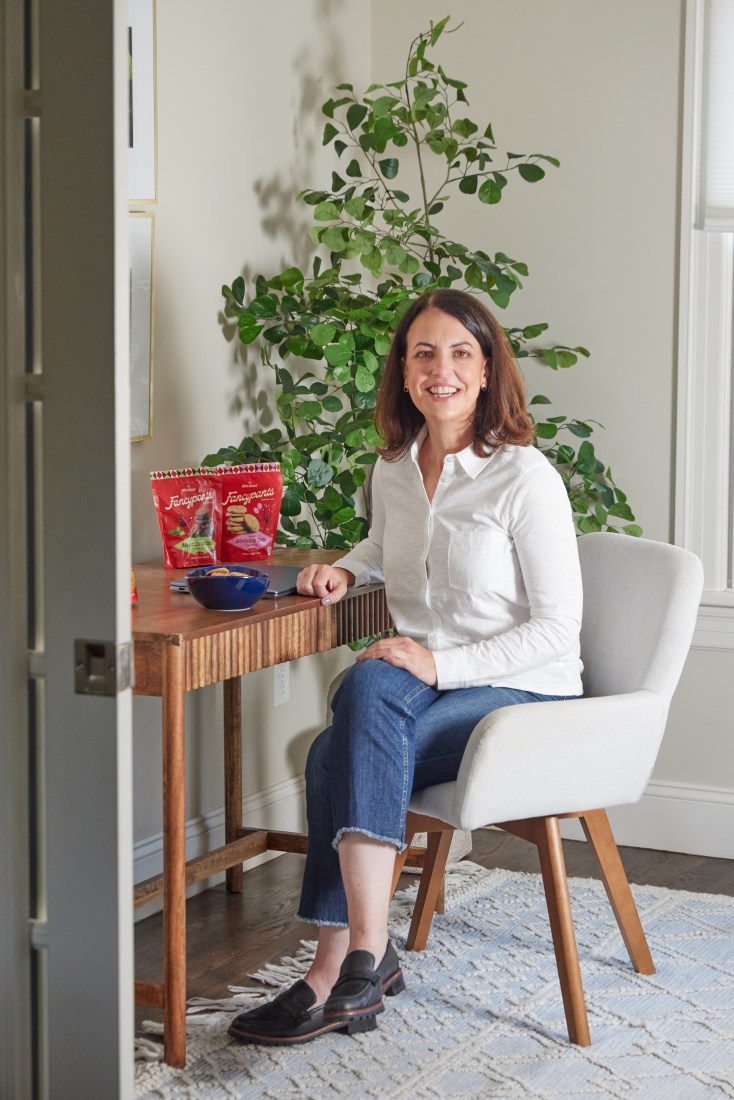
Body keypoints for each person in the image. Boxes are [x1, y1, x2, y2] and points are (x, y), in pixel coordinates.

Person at [228, 288, 583, 1046]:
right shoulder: (393, 466)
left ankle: (345, 960)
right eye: (423, 352)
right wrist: (346, 573)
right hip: (420, 678)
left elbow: (557, 630)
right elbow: (384, 549)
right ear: (403, 369)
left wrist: (439, 662)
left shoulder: (525, 478)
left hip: (521, 691)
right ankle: (358, 958)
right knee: (350, 719)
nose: (440, 368)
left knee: (352, 719)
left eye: (460, 352)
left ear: (487, 371)